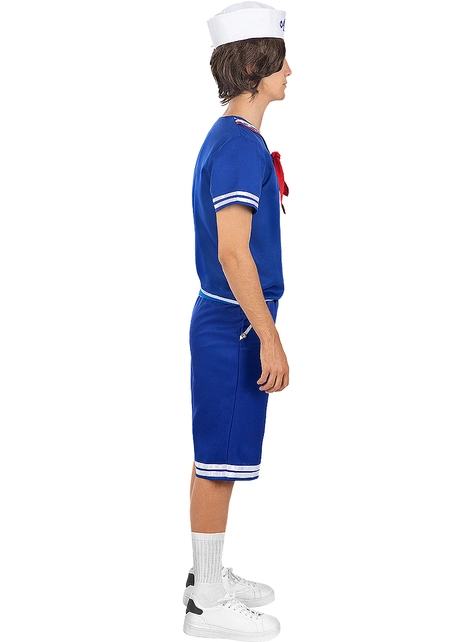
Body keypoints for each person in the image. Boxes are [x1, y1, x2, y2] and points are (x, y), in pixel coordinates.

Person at [183, 3, 292, 640]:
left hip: (232, 321)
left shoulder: (232, 138)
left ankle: (209, 575)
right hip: (235, 326)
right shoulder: (239, 148)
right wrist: (270, 338)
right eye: (281, 62)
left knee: (220, 455)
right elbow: (233, 252)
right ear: (255, 69)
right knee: (218, 459)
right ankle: (205, 603)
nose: (290, 72)